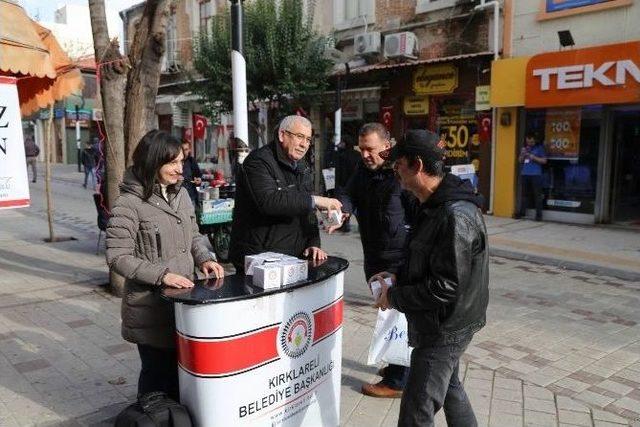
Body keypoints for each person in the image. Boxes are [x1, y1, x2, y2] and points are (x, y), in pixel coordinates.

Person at [371, 129, 489, 426]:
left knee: (415, 412)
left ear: (418, 165)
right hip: (445, 321)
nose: (395, 170)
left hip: (444, 329)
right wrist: (397, 276)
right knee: (450, 389)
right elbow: (427, 258)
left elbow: (445, 286)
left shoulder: (454, 214)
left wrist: (394, 297)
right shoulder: (433, 204)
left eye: (399, 163)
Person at [105, 130, 224, 400]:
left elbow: (194, 234)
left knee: (182, 377)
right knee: (157, 379)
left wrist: (205, 257)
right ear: (152, 162)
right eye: (172, 163)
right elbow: (117, 256)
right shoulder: (129, 203)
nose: (179, 170)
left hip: (184, 302)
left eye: (181, 162)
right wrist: (162, 275)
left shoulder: (180, 195)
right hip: (150, 308)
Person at [327, 123, 415, 398]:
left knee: (397, 318)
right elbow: (348, 193)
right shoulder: (363, 171)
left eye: (370, 149)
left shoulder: (402, 173)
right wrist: (342, 212)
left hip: (399, 259)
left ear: (386, 147)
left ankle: (398, 379)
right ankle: (396, 367)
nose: (365, 155)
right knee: (387, 313)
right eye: (361, 149)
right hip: (374, 256)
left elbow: (418, 216)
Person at [229, 115, 342, 272]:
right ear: (282, 135)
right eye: (299, 137)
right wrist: (315, 200)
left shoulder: (302, 166)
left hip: (294, 257)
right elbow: (269, 201)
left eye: (308, 139)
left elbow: (306, 212)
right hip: (260, 259)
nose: (304, 144)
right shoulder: (258, 162)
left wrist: (313, 243)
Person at [332, 136, 361, 232]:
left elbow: (339, 172)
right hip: (356, 183)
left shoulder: (341, 155)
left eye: (342, 143)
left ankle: (345, 225)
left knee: (344, 205)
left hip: (344, 184)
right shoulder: (358, 155)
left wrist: (337, 185)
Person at [517, 133, 547, 221]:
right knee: (524, 195)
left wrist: (533, 157)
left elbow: (544, 161)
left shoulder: (540, 148)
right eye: (528, 142)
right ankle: (522, 212)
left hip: (536, 174)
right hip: (525, 174)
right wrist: (522, 155)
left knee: (537, 195)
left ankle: (538, 215)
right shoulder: (525, 148)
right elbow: (520, 161)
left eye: (531, 142)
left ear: (535, 141)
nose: (529, 144)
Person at [181, 141, 202, 206]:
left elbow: (198, 175)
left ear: (189, 149)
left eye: (186, 149)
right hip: (178, 197)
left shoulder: (191, 161)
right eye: (182, 149)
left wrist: (198, 180)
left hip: (190, 196)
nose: (184, 152)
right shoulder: (174, 161)